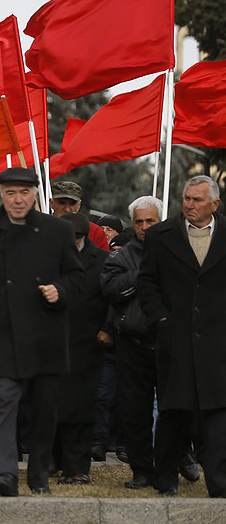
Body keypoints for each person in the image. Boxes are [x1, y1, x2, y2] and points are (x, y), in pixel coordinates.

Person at [0, 167, 84, 497]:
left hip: (46, 332)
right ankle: (5, 473)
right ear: (0, 194)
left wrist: (60, 289)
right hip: (1, 334)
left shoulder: (57, 230)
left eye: (25, 193)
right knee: (2, 404)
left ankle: (39, 474)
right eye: (11, 193)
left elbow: (78, 277)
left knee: (45, 411)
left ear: (35, 195)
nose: (18, 200)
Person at [138, 175, 226, 498]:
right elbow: (146, 283)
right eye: (186, 198)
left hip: (218, 344)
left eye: (197, 200)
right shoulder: (161, 236)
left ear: (215, 204)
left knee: (218, 417)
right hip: (175, 340)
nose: (189, 205)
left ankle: (220, 485)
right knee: (174, 413)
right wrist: (160, 318)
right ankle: (165, 478)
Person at [101, 195, 165, 490]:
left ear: (160, 220)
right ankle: (142, 470)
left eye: (150, 221)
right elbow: (112, 290)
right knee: (135, 411)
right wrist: (143, 275)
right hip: (131, 343)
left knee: (174, 409)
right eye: (139, 221)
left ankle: (175, 463)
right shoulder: (120, 257)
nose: (144, 226)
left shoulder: (175, 253)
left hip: (167, 343)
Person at [52, 212, 109, 485]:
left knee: (83, 408)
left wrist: (107, 329)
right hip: (52, 342)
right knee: (52, 404)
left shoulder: (102, 260)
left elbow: (111, 298)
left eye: (77, 237)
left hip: (88, 344)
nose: (73, 241)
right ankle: (55, 461)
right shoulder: (49, 256)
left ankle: (78, 468)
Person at [49, 181, 110, 250]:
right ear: (51, 203)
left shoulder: (95, 232)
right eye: (62, 203)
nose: (67, 209)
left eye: (72, 203)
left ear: (79, 205)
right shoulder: (42, 227)